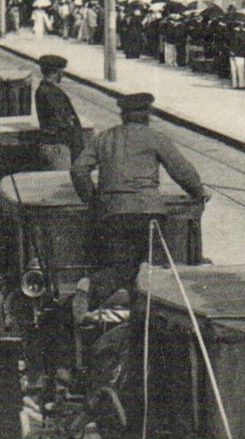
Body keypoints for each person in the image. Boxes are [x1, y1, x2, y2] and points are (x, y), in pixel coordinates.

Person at [71, 93, 210, 304]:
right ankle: (134, 309)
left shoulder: (104, 138)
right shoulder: (155, 137)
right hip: (148, 213)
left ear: (123, 115)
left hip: (112, 213)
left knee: (120, 266)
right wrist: (199, 192)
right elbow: (181, 171)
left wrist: (94, 200)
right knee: (151, 270)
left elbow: (78, 169)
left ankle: (98, 294)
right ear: (147, 115)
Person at [34, 54, 85, 170]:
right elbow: (62, 121)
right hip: (58, 147)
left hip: (49, 144)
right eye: (61, 71)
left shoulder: (41, 90)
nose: (62, 74)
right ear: (56, 72)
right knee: (60, 181)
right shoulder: (53, 93)